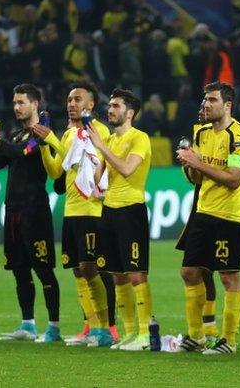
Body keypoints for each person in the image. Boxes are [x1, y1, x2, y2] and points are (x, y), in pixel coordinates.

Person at [33, 82, 114, 347]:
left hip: (92, 208)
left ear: (91, 104)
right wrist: (46, 146)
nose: (71, 103)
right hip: (72, 209)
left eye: (78, 99)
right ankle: (90, 327)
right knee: (79, 271)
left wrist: (52, 139)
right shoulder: (68, 135)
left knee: (91, 268)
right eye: (69, 99)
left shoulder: (98, 131)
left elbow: (88, 163)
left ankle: (106, 328)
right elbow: (57, 171)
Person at [174, 81, 240, 354]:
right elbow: (197, 178)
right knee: (190, 272)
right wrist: (189, 165)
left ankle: (228, 340)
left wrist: (198, 163)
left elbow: (235, 179)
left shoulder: (239, 135)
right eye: (204, 100)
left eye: (212, 100)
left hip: (230, 216)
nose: (205, 105)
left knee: (229, 276)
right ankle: (196, 336)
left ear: (227, 105)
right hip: (204, 212)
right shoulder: (202, 132)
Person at [0, 84, 62, 343]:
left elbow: (21, 154)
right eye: (14, 103)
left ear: (35, 103)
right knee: (19, 269)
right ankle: (28, 324)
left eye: (21, 102)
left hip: (35, 209)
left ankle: (54, 327)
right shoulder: (16, 136)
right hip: (13, 209)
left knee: (43, 268)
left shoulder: (42, 134)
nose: (16, 107)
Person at [87, 88, 153, 351]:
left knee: (136, 274)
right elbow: (99, 179)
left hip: (131, 210)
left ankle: (146, 334)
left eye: (116, 106)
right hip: (109, 210)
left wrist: (102, 147)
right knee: (117, 276)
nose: (110, 110)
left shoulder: (140, 138)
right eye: (110, 106)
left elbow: (127, 170)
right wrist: (97, 161)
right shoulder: (111, 141)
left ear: (130, 112)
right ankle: (129, 333)